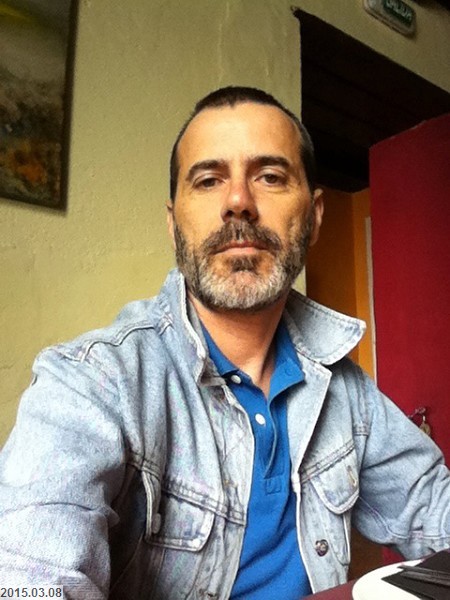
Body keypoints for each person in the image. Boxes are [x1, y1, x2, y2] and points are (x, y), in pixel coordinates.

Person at [0, 86, 449, 600]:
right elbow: (29, 578)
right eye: (209, 180)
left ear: (315, 216)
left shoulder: (346, 390)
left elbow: (433, 507)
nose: (238, 202)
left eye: (270, 176)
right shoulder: (90, 383)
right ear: (174, 224)